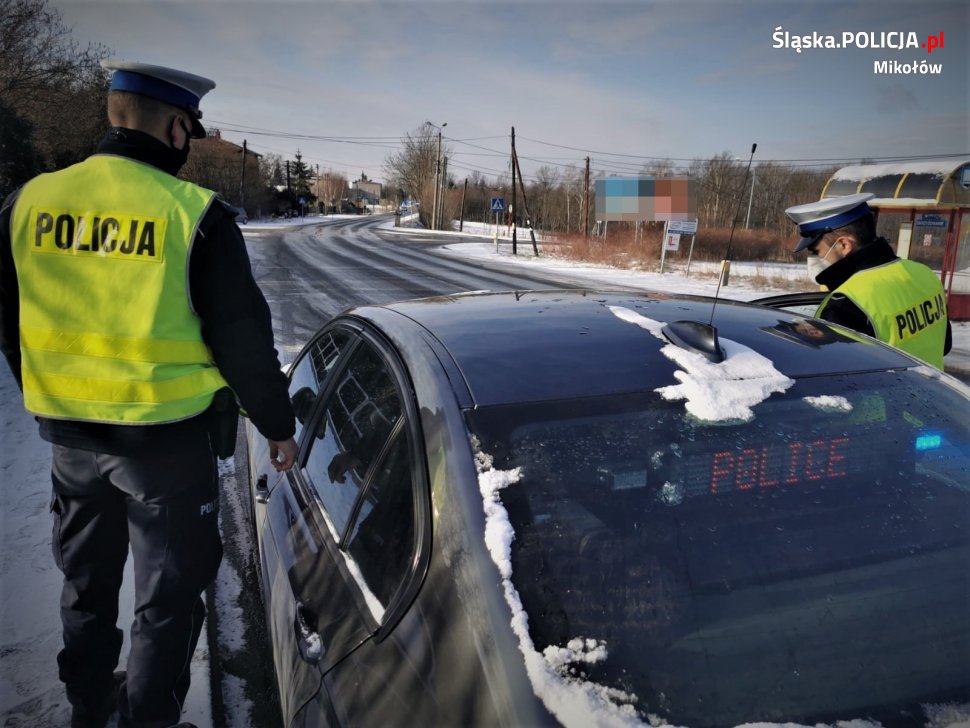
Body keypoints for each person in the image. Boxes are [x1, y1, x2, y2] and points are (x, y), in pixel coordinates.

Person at [0, 59, 298, 728]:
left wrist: (53, 398)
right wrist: (278, 424)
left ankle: (88, 708)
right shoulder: (194, 215)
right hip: (166, 449)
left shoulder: (28, 202)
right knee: (166, 601)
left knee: (86, 586)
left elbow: (11, 322)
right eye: (189, 128)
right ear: (173, 127)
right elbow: (242, 343)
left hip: (71, 442)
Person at [785, 192, 952, 369]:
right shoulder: (923, 273)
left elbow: (832, 375)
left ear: (844, 245)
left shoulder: (846, 304)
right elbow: (944, 344)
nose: (814, 258)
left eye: (816, 251)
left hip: (882, 396)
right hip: (936, 391)